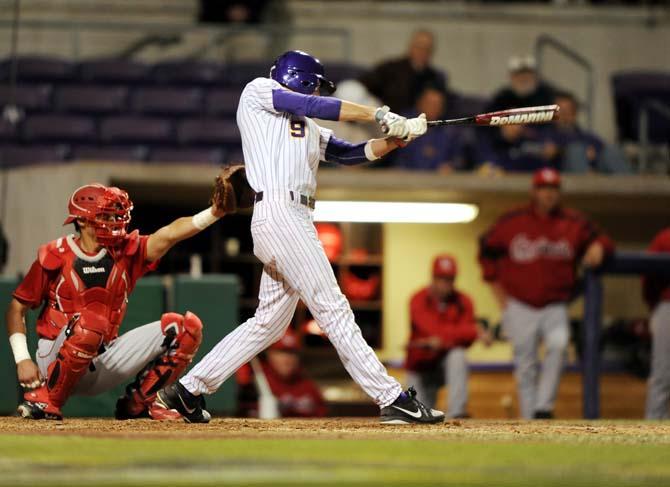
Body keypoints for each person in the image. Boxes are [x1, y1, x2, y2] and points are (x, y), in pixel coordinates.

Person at [156, 49, 443, 425]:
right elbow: (312, 103)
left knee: (268, 323)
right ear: (303, 78)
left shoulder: (307, 126)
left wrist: (395, 140)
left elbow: (351, 153)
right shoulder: (258, 91)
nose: (319, 93)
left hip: (293, 218)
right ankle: (391, 397)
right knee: (332, 307)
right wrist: (378, 114)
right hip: (280, 212)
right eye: (318, 86)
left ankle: (187, 391)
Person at [6, 183, 227, 421]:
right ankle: (45, 400)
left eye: (115, 214)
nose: (114, 220)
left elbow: (169, 234)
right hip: (53, 359)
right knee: (91, 322)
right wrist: (22, 359)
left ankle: (140, 404)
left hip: (102, 356)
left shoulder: (125, 250)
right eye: (105, 215)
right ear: (81, 220)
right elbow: (16, 309)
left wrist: (214, 212)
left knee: (184, 329)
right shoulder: (55, 254)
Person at [478, 168, 614, 419]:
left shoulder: (573, 222)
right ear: (534, 191)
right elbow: (485, 249)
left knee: (559, 345)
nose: (548, 194)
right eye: (543, 189)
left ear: (558, 192)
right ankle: (531, 417)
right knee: (526, 362)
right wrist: (499, 296)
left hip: (555, 304)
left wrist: (598, 246)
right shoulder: (513, 220)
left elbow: (603, 239)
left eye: (553, 189)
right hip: (519, 303)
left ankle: (543, 408)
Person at [405, 255, 490, 418]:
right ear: (433, 277)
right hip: (420, 368)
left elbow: (462, 339)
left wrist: (449, 337)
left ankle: (458, 413)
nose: (446, 283)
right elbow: (434, 331)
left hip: (444, 366)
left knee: (458, 355)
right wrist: (472, 331)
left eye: (450, 278)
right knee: (418, 420)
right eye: (442, 278)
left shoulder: (464, 301)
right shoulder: (418, 299)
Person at [236, 329, 327, 418]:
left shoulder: (306, 384)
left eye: (291, 353)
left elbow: (322, 414)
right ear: (269, 354)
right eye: (281, 352)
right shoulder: (256, 381)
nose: (287, 359)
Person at [359, 30, 447, 114]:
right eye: (419, 46)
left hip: (415, 121)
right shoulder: (390, 68)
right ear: (411, 47)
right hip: (384, 117)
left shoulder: (434, 77)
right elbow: (366, 85)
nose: (422, 52)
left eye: (426, 48)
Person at [547, 91, 632, 174]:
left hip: (596, 174)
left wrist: (593, 155)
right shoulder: (544, 135)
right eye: (560, 111)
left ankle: (632, 185)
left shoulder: (588, 137)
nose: (564, 115)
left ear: (575, 113)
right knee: (576, 151)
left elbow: (603, 151)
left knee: (612, 150)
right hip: (561, 176)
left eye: (568, 110)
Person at [391, 87, 466, 172]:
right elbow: (395, 157)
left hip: (439, 179)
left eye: (438, 105)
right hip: (406, 176)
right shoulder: (405, 125)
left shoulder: (450, 132)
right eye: (430, 104)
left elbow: (459, 159)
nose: (434, 108)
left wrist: (451, 166)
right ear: (419, 104)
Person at [642, 227, 670, 419]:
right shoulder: (664, 238)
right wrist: (655, 306)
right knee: (662, 373)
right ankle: (653, 427)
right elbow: (648, 276)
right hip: (667, 305)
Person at [487, 56, 555, 112]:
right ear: (511, 77)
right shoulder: (502, 98)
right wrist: (503, 127)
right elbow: (484, 123)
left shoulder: (547, 96)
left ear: (535, 76)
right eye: (518, 75)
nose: (523, 79)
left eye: (527, 75)